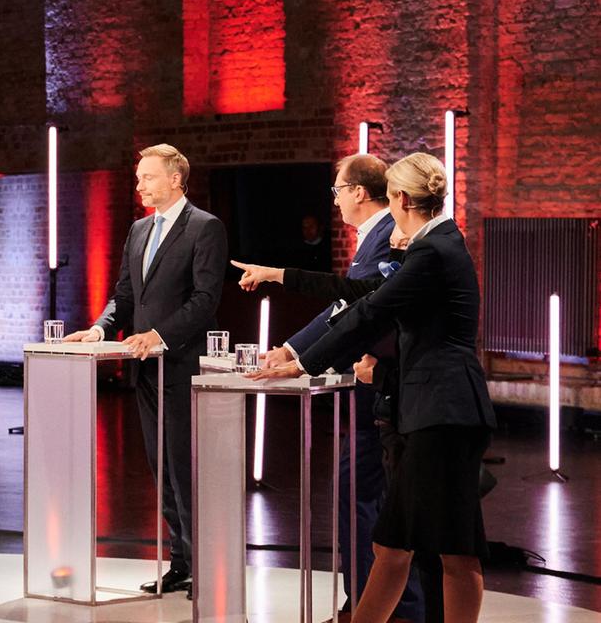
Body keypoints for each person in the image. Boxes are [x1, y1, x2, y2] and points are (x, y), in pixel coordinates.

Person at [246, 153, 495, 623]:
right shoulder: (436, 243)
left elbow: (371, 312)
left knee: (436, 549)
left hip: (443, 412)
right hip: (439, 409)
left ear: (400, 198)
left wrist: (302, 361)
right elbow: (365, 299)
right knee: (404, 545)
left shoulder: (433, 250)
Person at [231, 153, 427, 622]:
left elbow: (355, 306)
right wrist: (292, 349)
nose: (334, 199)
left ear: (359, 192)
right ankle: (371, 606)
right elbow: (345, 302)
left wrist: (299, 357)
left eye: (337, 189)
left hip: (383, 386)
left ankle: (373, 609)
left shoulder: (387, 238)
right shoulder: (375, 237)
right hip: (371, 387)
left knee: (361, 497)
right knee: (363, 497)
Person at [65, 144, 227, 597]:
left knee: (185, 468)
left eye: (148, 177)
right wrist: (101, 329)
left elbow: (205, 300)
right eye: (139, 177)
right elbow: (124, 295)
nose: (139, 185)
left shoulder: (205, 227)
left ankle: (208, 567)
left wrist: (158, 336)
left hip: (184, 367)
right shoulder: (138, 230)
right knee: (161, 469)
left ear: (176, 179)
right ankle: (182, 562)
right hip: (146, 370)